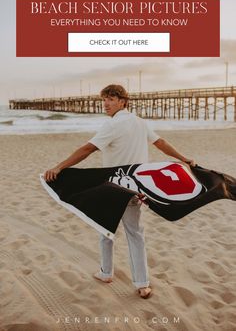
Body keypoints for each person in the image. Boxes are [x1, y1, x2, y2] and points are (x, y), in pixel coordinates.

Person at [44, 84, 195, 299]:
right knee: (134, 233)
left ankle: (107, 273)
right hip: (135, 186)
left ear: (123, 101)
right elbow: (160, 143)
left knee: (105, 228)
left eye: (111, 99)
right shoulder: (140, 123)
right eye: (104, 99)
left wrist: (60, 167)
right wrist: (184, 158)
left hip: (113, 186)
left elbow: (87, 149)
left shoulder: (112, 125)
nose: (105, 104)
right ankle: (141, 284)